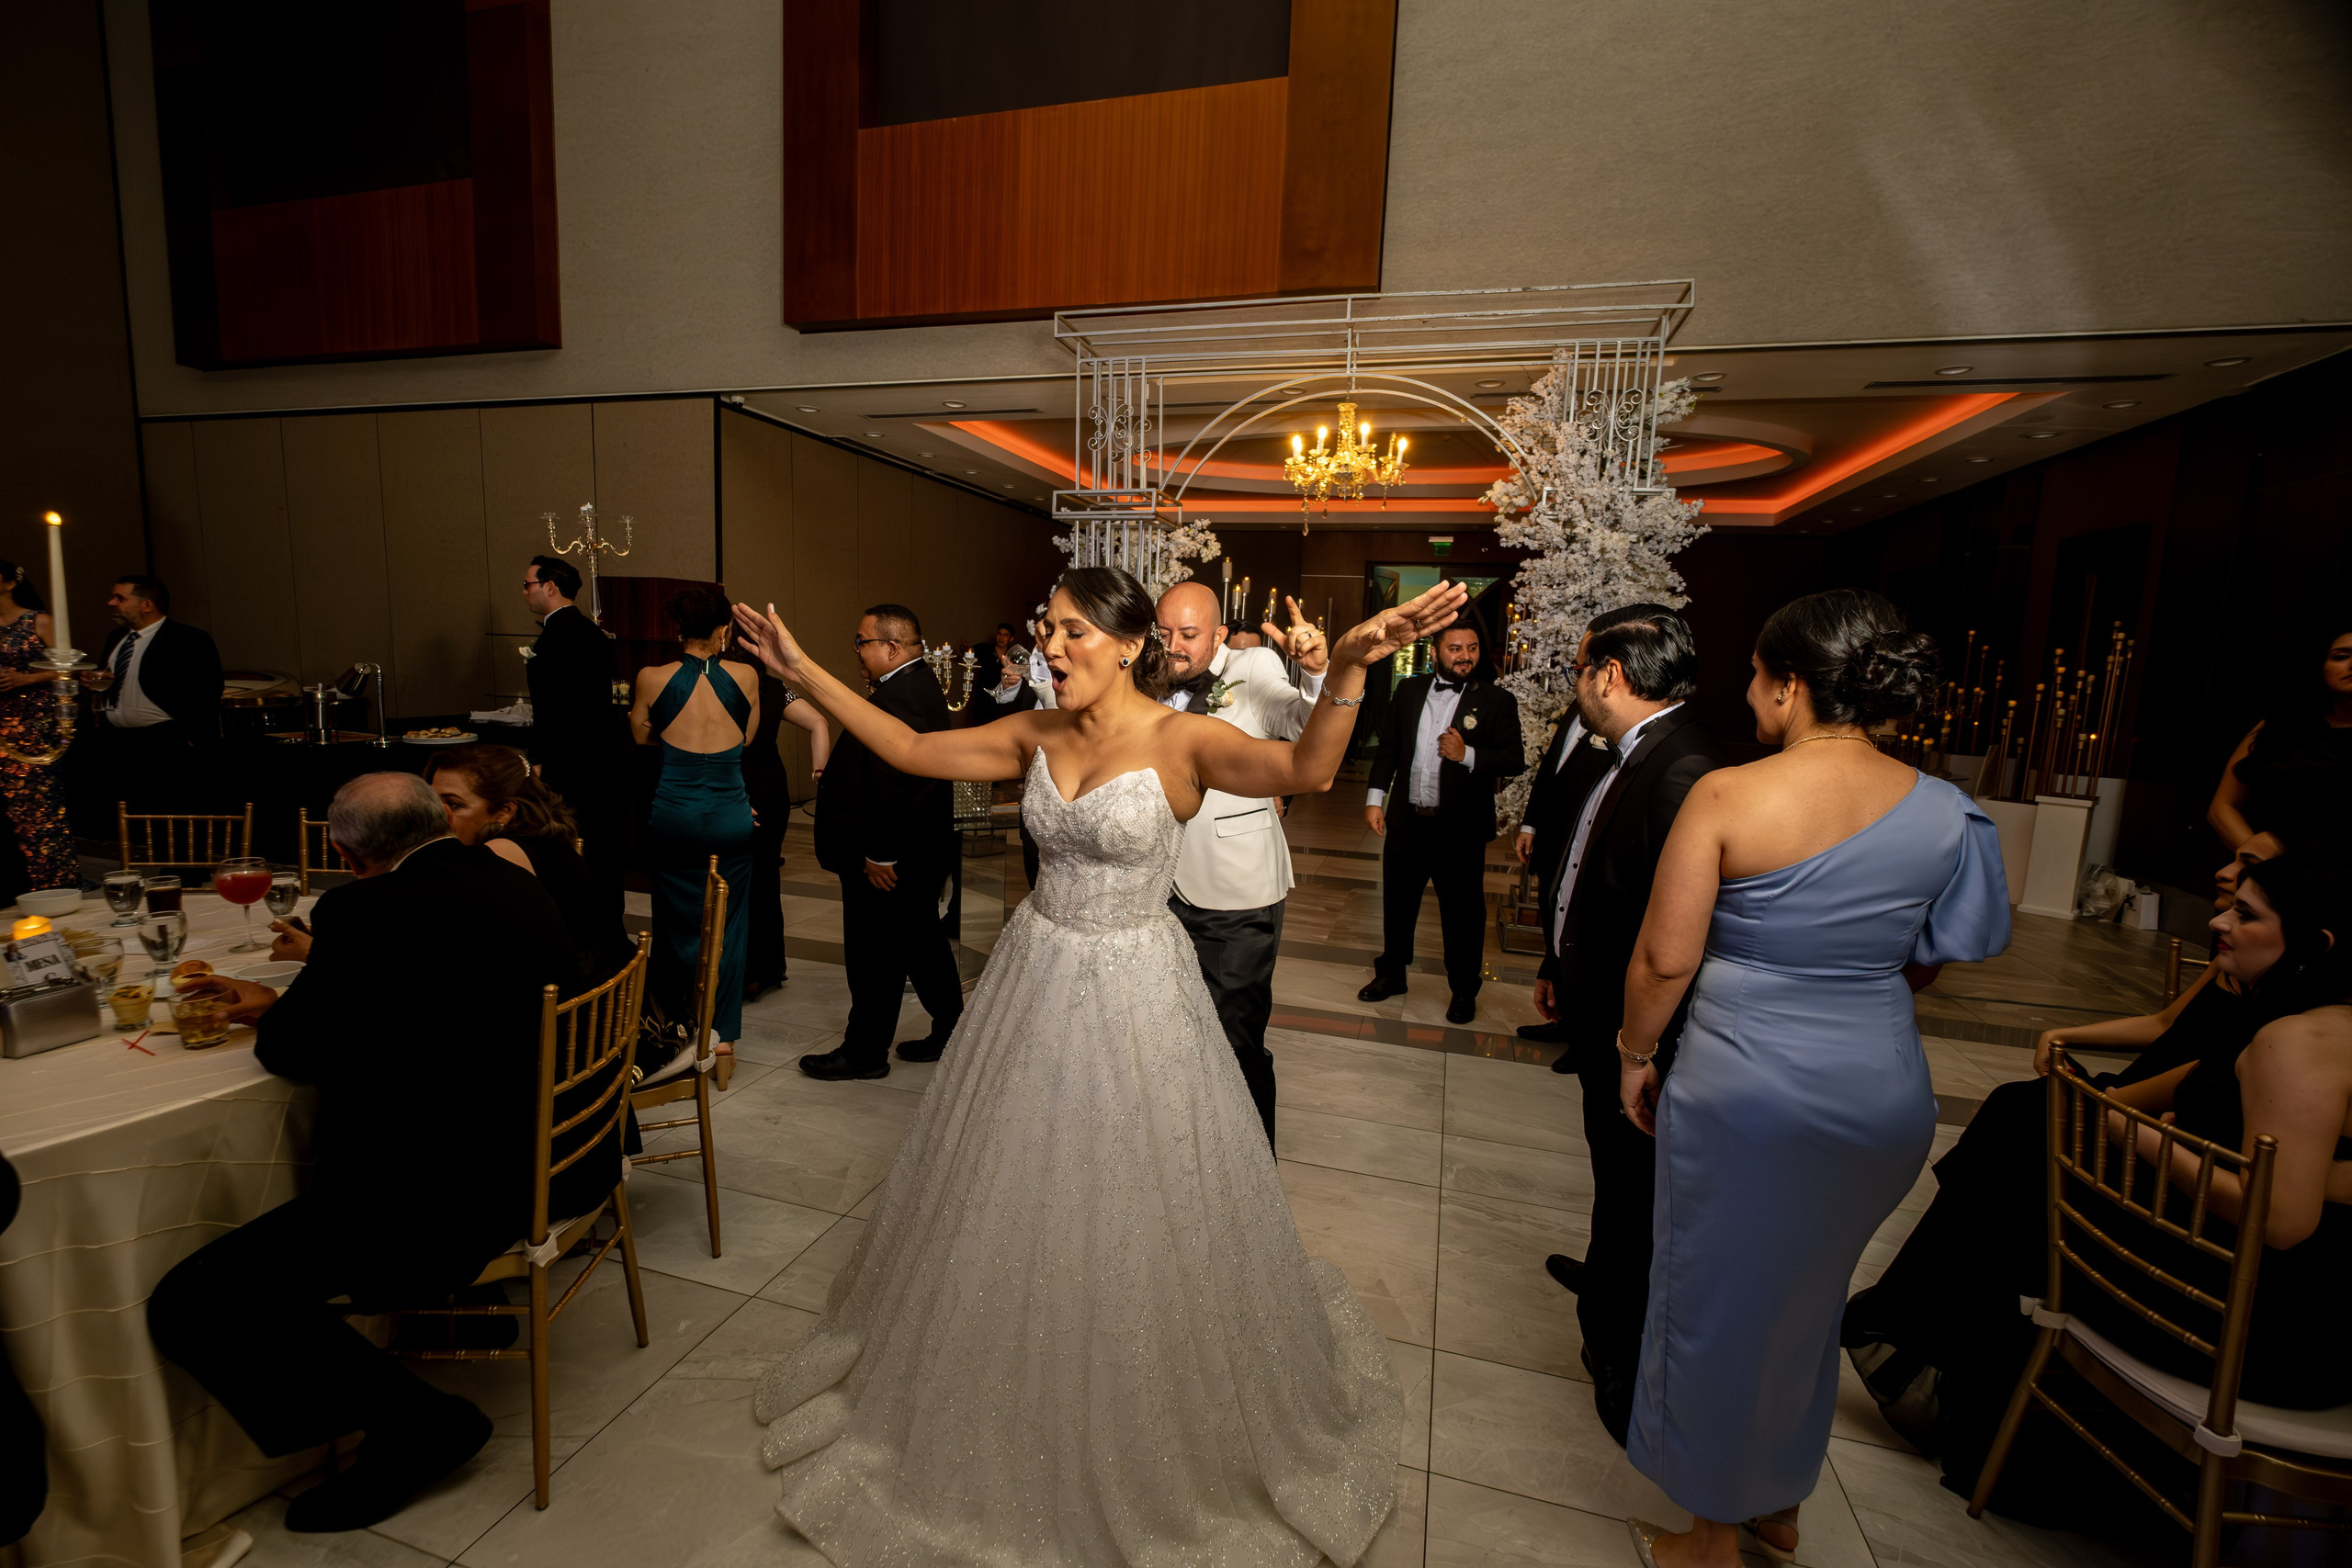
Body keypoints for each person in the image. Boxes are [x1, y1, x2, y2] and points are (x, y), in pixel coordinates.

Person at [726, 566, 1464, 1564]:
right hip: (1034, 976)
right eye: (1048, 631)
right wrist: (804, 670)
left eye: (1072, 633)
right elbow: (903, 743)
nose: (1053, 648)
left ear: (1127, 644)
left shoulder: (1184, 740)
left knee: (1131, 1190)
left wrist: (1344, 668)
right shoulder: (1035, 732)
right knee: (1007, 1183)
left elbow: (1305, 776)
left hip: (1134, 986)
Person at [1612, 590, 2010, 1568]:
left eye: (1755, 676)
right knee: (1804, 1303)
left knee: (1716, 1305)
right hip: (1880, 1089)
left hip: (1749, 1086)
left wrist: (1632, 1054)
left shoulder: (1728, 796)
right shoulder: (1945, 812)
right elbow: (1948, 945)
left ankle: (1711, 1539)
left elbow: (1664, 962)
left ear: (1790, 686)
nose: (1748, 695)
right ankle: (1778, 1507)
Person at [145, 773, 582, 1532]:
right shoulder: (511, 875)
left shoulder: (362, 909)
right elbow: (431, 1000)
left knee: (196, 1298)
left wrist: (285, 1005)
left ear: (346, 855)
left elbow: (290, 1050)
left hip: (442, 1196)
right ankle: (427, 1368)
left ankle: (417, 1422)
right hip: (540, 1154)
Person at [1839, 832, 2284, 1454]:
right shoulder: (2235, 966)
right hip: (2141, 1118)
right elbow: (2164, 1027)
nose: (2226, 874)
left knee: (2019, 1128)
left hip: (2160, 1143)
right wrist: (2068, 1032)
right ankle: (1910, 1327)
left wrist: (2104, 1112)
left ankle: (1913, 1331)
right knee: (2012, 1121)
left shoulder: (2284, 1029)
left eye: (2250, 869)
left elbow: (2194, 1084)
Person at [1524, 606, 1724, 1446]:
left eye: (1580, 669)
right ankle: (1604, 1279)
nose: (1577, 685)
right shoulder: (1630, 757)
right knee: (1613, 1169)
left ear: (1610, 674)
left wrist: (1636, 1038)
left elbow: (1674, 933)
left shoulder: (1681, 771)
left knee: (1637, 1183)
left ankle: (1617, 1346)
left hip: (1639, 1024)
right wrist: (1555, 963)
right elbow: (1590, 874)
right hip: (1597, 994)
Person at [1154, 580, 1329, 1146]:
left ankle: (1253, 1172)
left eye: (1188, 634)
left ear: (1220, 634)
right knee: (1164, 1033)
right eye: (1163, 633)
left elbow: (1302, 727)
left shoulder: (1252, 668)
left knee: (1234, 1039)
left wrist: (1319, 674)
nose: (1173, 646)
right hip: (1155, 890)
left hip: (1236, 889)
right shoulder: (1146, 676)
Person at [797, 604, 963, 1080]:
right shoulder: (911, 685)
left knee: (874, 954)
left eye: (861, 642)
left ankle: (865, 1051)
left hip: (892, 857)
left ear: (891, 647)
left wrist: (880, 852)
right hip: (916, 851)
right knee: (919, 943)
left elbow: (899, 780)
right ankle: (952, 1028)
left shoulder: (902, 695)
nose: (857, 651)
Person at [1359, 622, 1524, 1022]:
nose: (1464, 655)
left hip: (1460, 830)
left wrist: (1467, 754)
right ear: (1436, 653)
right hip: (1407, 821)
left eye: (1471, 647)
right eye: (1454, 648)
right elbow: (1389, 749)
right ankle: (1392, 975)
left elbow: (1513, 759)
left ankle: (1464, 990)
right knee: (1397, 905)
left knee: (1463, 915)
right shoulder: (1409, 691)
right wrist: (1374, 798)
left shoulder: (1497, 700)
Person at [630, 586, 759, 1078]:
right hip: (730, 816)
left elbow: (641, 735)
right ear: (725, 628)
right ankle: (721, 1040)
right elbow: (745, 739)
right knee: (729, 925)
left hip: (674, 815)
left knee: (676, 922)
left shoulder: (650, 677)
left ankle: (681, 1030)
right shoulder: (745, 676)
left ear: (675, 629)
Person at [423, 742, 631, 987]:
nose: (437, 815)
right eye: (432, 802)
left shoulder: (500, 854)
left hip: (572, 1003)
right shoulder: (538, 835)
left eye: (454, 804)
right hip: (604, 989)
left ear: (504, 811)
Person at [523, 556, 631, 901]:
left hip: (568, 757)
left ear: (550, 587)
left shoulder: (557, 636)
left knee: (569, 837)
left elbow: (552, 707)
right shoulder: (590, 632)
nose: (524, 592)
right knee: (600, 841)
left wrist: (538, 759)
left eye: (528, 585)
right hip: (600, 753)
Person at [75, 575, 221, 815]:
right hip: (117, 741)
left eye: (120, 598)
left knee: (165, 810)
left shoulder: (188, 638)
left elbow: (207, 690)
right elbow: (117, 678)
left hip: (164, 741)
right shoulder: (117, 637)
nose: (111, 603)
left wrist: (192, 737)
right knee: (125, 812)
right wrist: (93, 680)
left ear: (147, 605)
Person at [729, 652, 831, 999]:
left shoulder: (723, 685)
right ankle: (769, 968)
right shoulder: (775, 687)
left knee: (737, 881)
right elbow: (819, 722)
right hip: (772, 789)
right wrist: (820, 773)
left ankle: (745, 973)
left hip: (736, 787)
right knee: (766, 876)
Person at [2208, 625, 2352, 852]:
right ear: (2321, 668)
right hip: (2270, 870)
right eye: (2341, 657)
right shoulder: (2279, 727)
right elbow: (2223, 807)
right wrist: (2260, 863)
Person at [0, 559, 77, 893]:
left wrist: (25, 678)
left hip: (33, 727)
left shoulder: (38, 621)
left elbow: (71, 669)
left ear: (8, 583)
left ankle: (52, 885)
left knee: (39, 809)